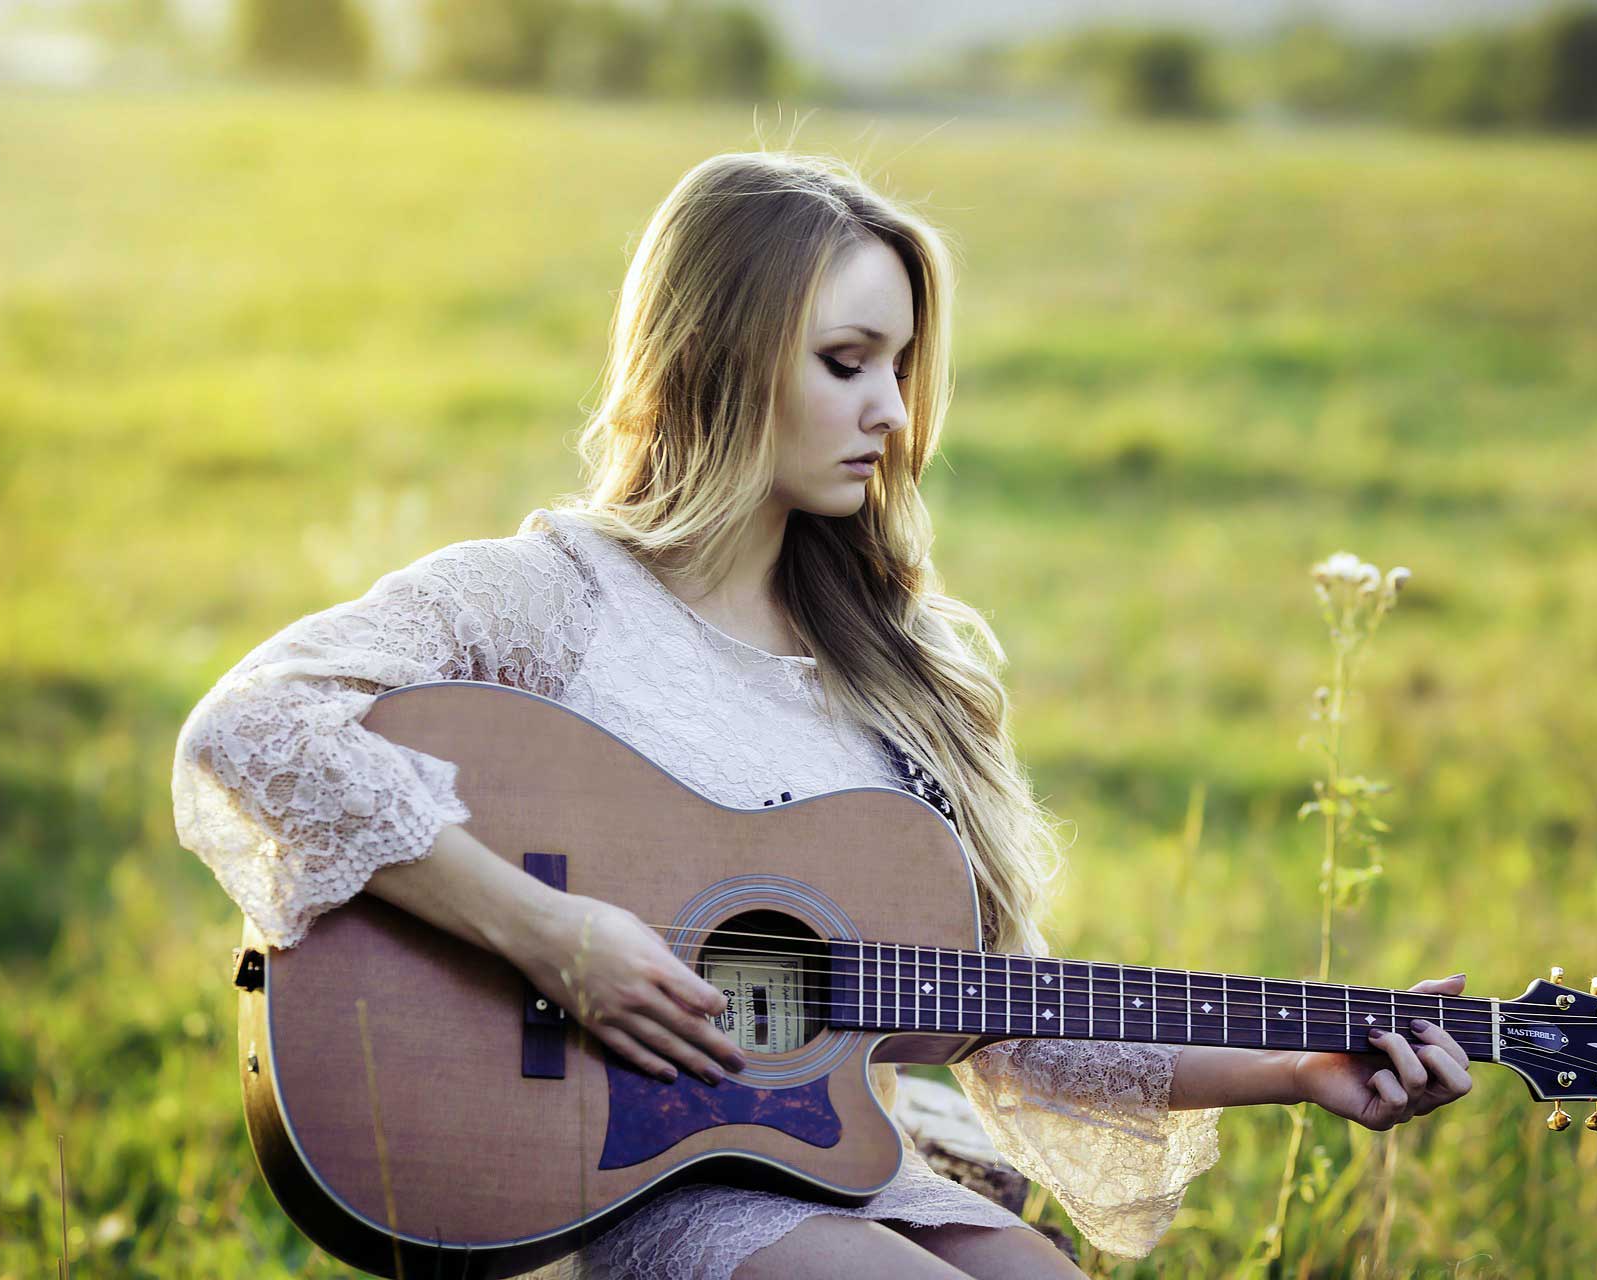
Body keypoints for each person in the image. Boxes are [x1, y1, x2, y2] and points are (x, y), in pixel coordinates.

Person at [171, 150, 1474, 1280]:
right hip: (619, 1181)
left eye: (903, 367)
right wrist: (556, 936)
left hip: (820, 1160)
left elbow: (996, 1019)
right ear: (718, 357)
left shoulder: (905, 666)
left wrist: (1300, 1064)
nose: (894, 414)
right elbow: (251, 731)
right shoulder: (546, 599)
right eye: (848, 362)